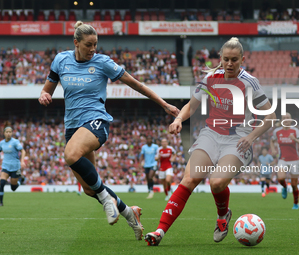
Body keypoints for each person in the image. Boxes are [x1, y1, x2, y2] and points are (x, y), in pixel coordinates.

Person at [38, 21, 179, 240]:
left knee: (70, 155)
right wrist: (44, 95)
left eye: (95, 44)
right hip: (73, 127)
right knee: (89, 188)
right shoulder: (60, 60)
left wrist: (164, 104)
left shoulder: (103, 63)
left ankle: (107, 201)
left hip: (96, 122)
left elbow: (136, 84)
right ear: (76, 43)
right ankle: (129, 212)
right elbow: (47, 89)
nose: (93, 49)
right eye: (88, 45)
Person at [144, 37, 276, 246]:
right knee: (189, 179)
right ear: (220, 59)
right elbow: (192, 106)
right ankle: (160, 231)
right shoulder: (211, 78)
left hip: (238, 138)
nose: (230, 64)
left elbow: (271, 117)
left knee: (216, 182)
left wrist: (251, 137)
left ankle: (223, 216)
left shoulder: (250, 83)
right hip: (211, 134)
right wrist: (178, 118)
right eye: (226, 59)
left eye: (234, 59)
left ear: (242, 59)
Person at [270, 113, 299, 210]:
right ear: (281, 120)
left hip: (294, 160)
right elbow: (272, 141)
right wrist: (273, 149)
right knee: (281, 178)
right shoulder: (277, 131)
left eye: (288, 118)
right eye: (284, 118)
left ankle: (296, 203)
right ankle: (285, 187)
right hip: (282, 159)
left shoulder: (295, 131)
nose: (286, 119)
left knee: (294, 185)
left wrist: (295, 139)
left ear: (291, 120)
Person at [0, 126, 26, 206]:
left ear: (12, 133)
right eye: (7, 132)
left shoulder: (15, 142)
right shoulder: (2, 143)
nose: (8, 133)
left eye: (10, 132)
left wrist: (22, 161)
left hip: (15, 167)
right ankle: (1, 202)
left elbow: (23, 151)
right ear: (4, 133)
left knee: (13, 188)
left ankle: (20, 181)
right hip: (5, 166)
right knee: (1, 183)